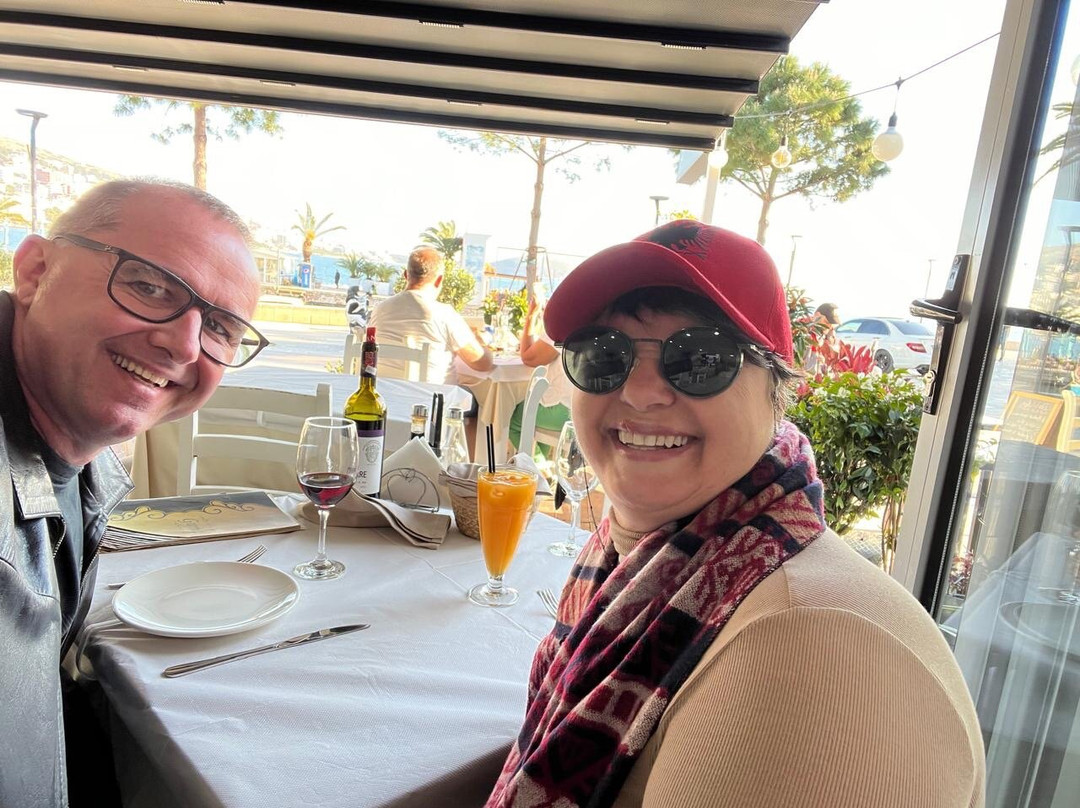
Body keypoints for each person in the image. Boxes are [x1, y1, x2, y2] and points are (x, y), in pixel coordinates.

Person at [486, 220, 984, 807]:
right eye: (604, 354)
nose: (641, 392)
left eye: (699, 358)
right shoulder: (636, 564)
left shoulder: (810, 648)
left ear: (778, 391)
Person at [0, 179, 265, 807]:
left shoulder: (72, 453)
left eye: (220, 328)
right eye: (150, 287)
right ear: (36, 271)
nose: (183, 344)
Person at [367, 246, 492, 383]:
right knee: (472, 392)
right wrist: (482, 341)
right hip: (431, 394)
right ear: (439, 280)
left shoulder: (379, 309)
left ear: (406, 275)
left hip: (382, 392)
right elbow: (483, 364)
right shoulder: (445, 315)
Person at [508, 289, 572, 457]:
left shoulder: (566, 322)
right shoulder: (606, 320)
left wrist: (532, 314)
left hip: (565, 410)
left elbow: (528, 358)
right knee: (538, 404)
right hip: (591, 410)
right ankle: (541, 465)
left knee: (510, 418)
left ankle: (537, 466)